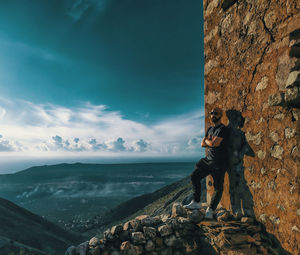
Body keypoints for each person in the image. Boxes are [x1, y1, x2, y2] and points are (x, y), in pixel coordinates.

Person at [184, 107, 228, 219]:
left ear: (221, 115)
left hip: (219, 162)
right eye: (212, 113)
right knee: (194, 176)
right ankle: (196, 202)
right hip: (208, 160)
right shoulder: (210, 129)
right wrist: (210, 142)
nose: (213, 115)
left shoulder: (223, 129)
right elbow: (203, 144)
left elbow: (215, 144)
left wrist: (209, 142)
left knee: (218, 187)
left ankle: (211, 209)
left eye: (216, 113)